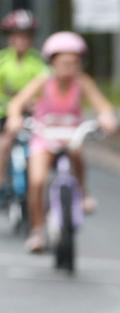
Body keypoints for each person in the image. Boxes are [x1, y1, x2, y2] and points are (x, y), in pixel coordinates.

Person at [6, 32, 118, 254]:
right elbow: (16, 104)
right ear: (53, 62)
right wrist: (15, 118)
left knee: (77, 155)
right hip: (44, 136)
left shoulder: (82, 83)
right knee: (37, 180)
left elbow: (103, 106)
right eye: (64, 62)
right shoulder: (43, 82)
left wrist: (107, 118)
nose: (69, 67)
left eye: (75, 63)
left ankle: (83, 192)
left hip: (70, 136)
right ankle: (37, 230)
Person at [0, 10, 45, 193]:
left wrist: (34, 102)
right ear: (10, 37)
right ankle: (1, 180)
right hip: (5, 115)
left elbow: (44, 88)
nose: (22, 40)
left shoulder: (38, 62)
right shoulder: (3, 60)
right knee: (4, 142)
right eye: (18, 35)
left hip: (32, 115)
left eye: (27, 36)